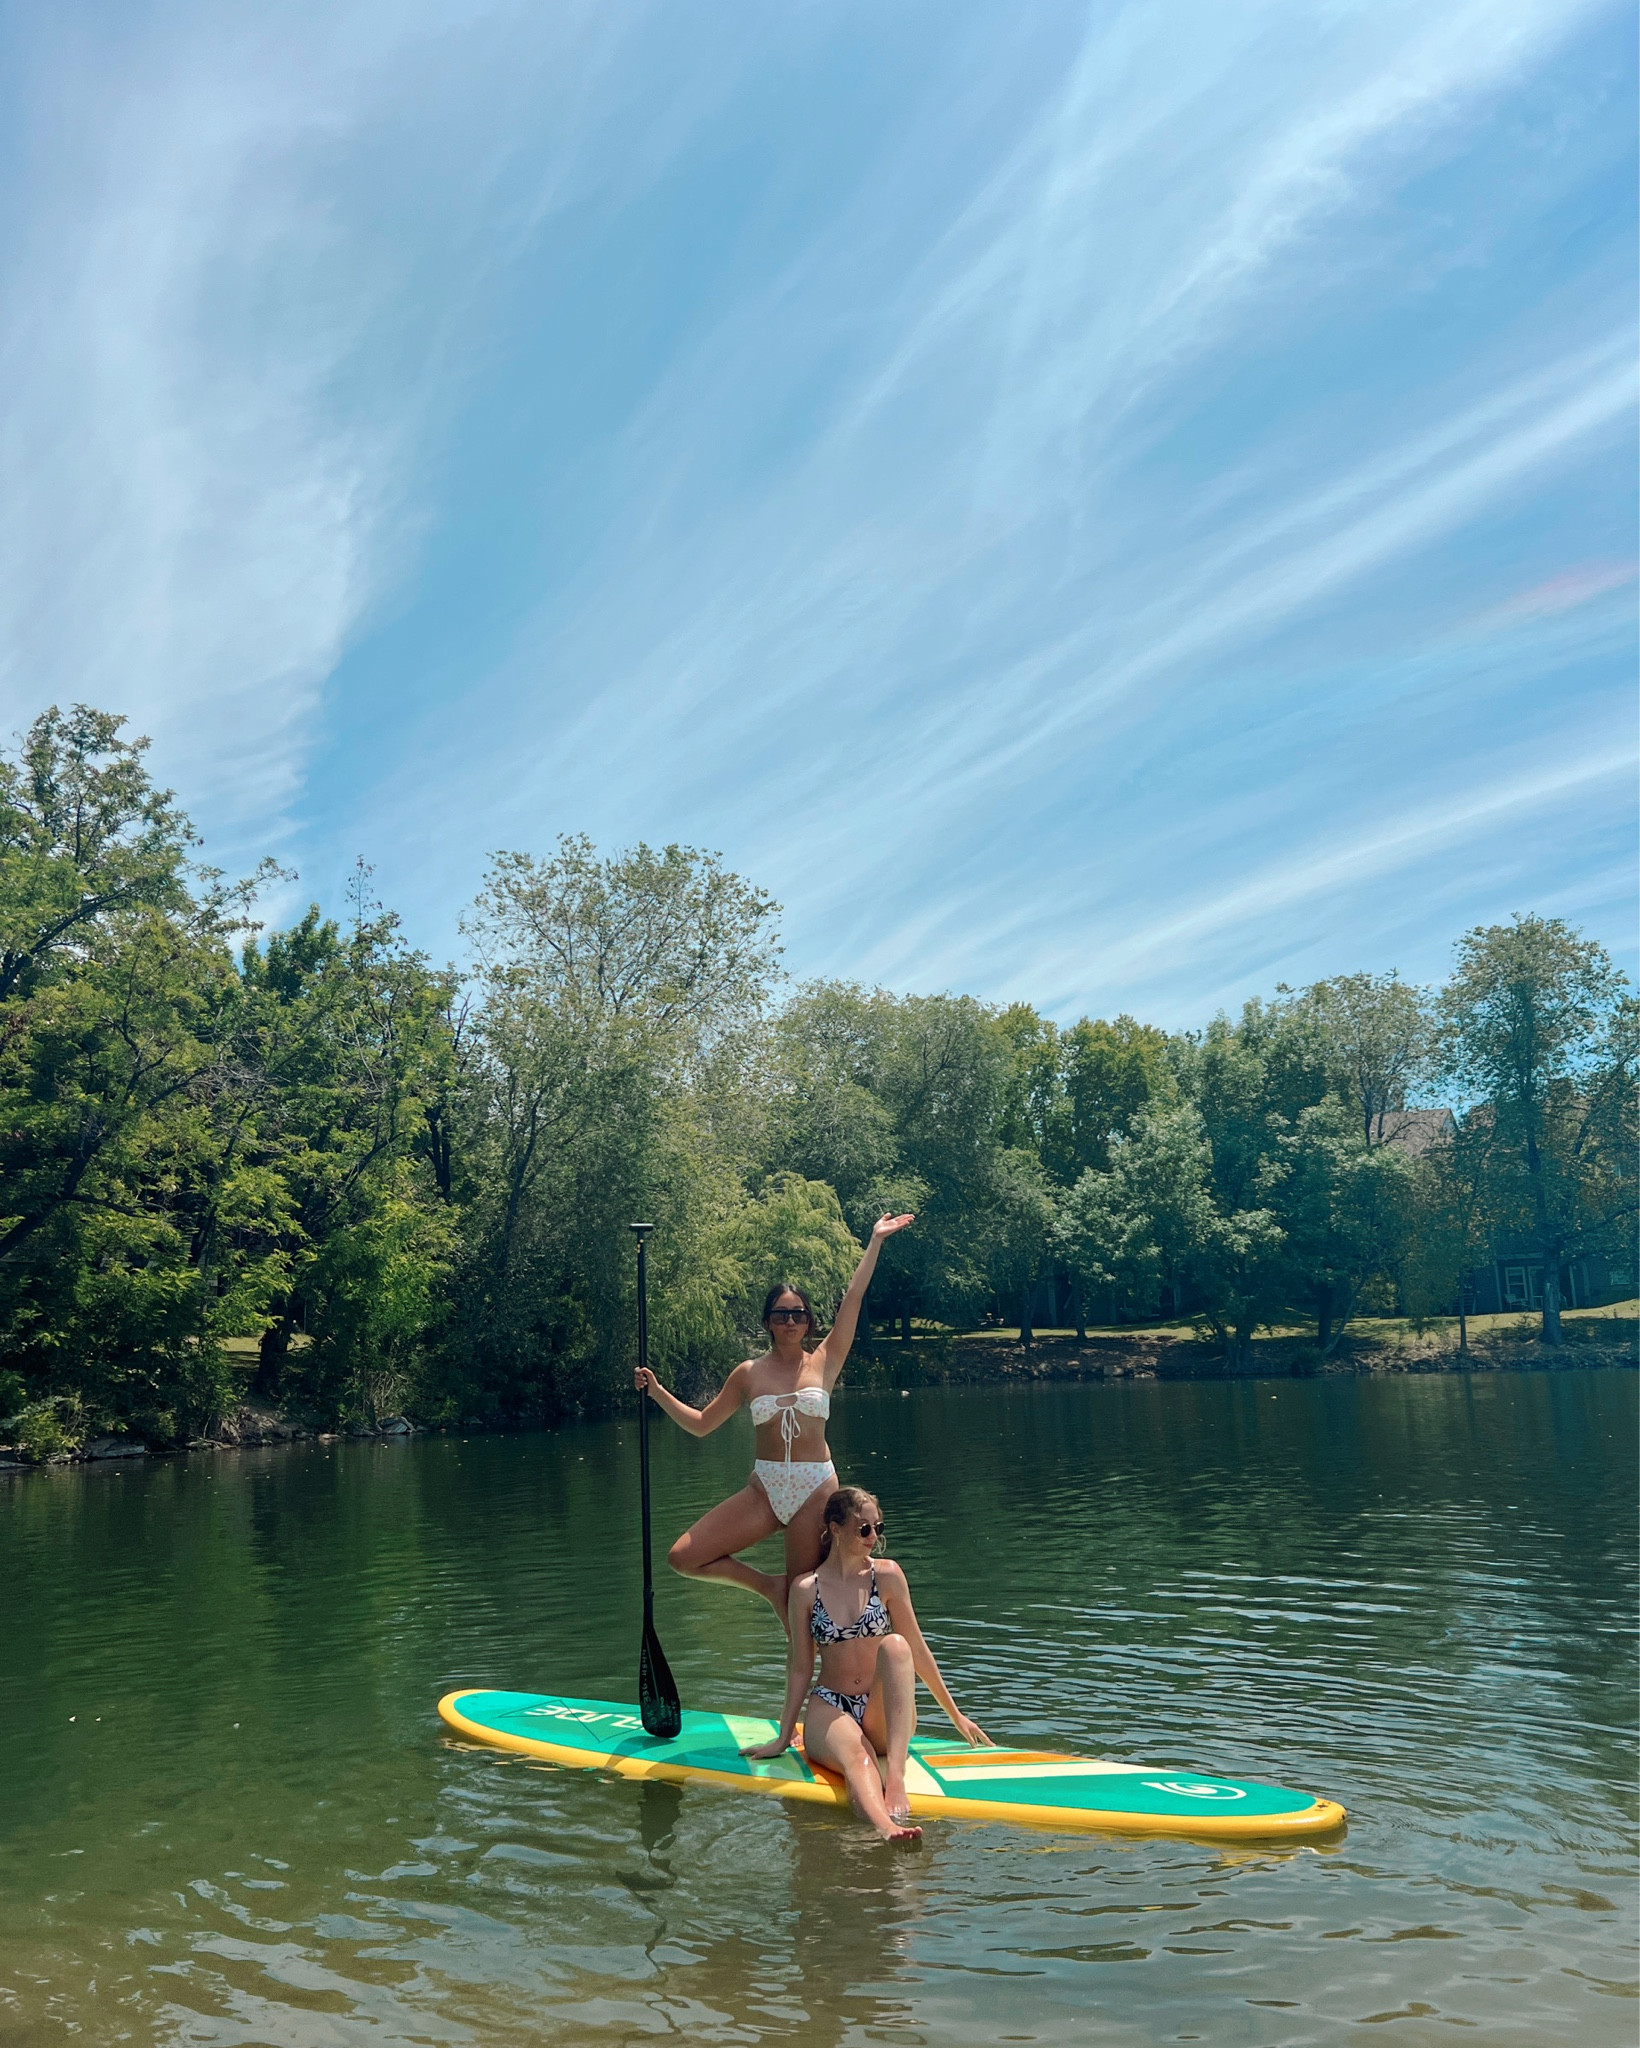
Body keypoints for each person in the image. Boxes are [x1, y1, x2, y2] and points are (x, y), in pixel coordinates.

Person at [633, 1214, 911, 1625]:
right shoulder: (748, 1373)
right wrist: (657, 1392)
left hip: (815, 1488)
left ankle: (811, 1686)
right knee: (683, 1556)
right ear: (768, 1323)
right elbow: (702, 1424)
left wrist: (875, 1241)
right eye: (781, 1315)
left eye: (798, 1314)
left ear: (808, 1320)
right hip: (765, 1488)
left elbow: (853, 1297)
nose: (791, 1321)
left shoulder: (825, 1360)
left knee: (799, 1613)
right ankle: (767, 1585)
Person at [741, 1485, 992, 1842]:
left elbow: (917, 1651)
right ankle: (886, 1828)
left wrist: (956, 1716)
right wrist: (784, 1736)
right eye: (864, 1529)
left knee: (895, 1645)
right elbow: (800, 1666)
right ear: (836, 1529)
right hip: (832, 1707)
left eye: (878, 1528)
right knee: (858, 1761)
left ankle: (896, 1780)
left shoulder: (887, 1576)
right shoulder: (805, 1590)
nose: (873, 1537)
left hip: (880, 1712)